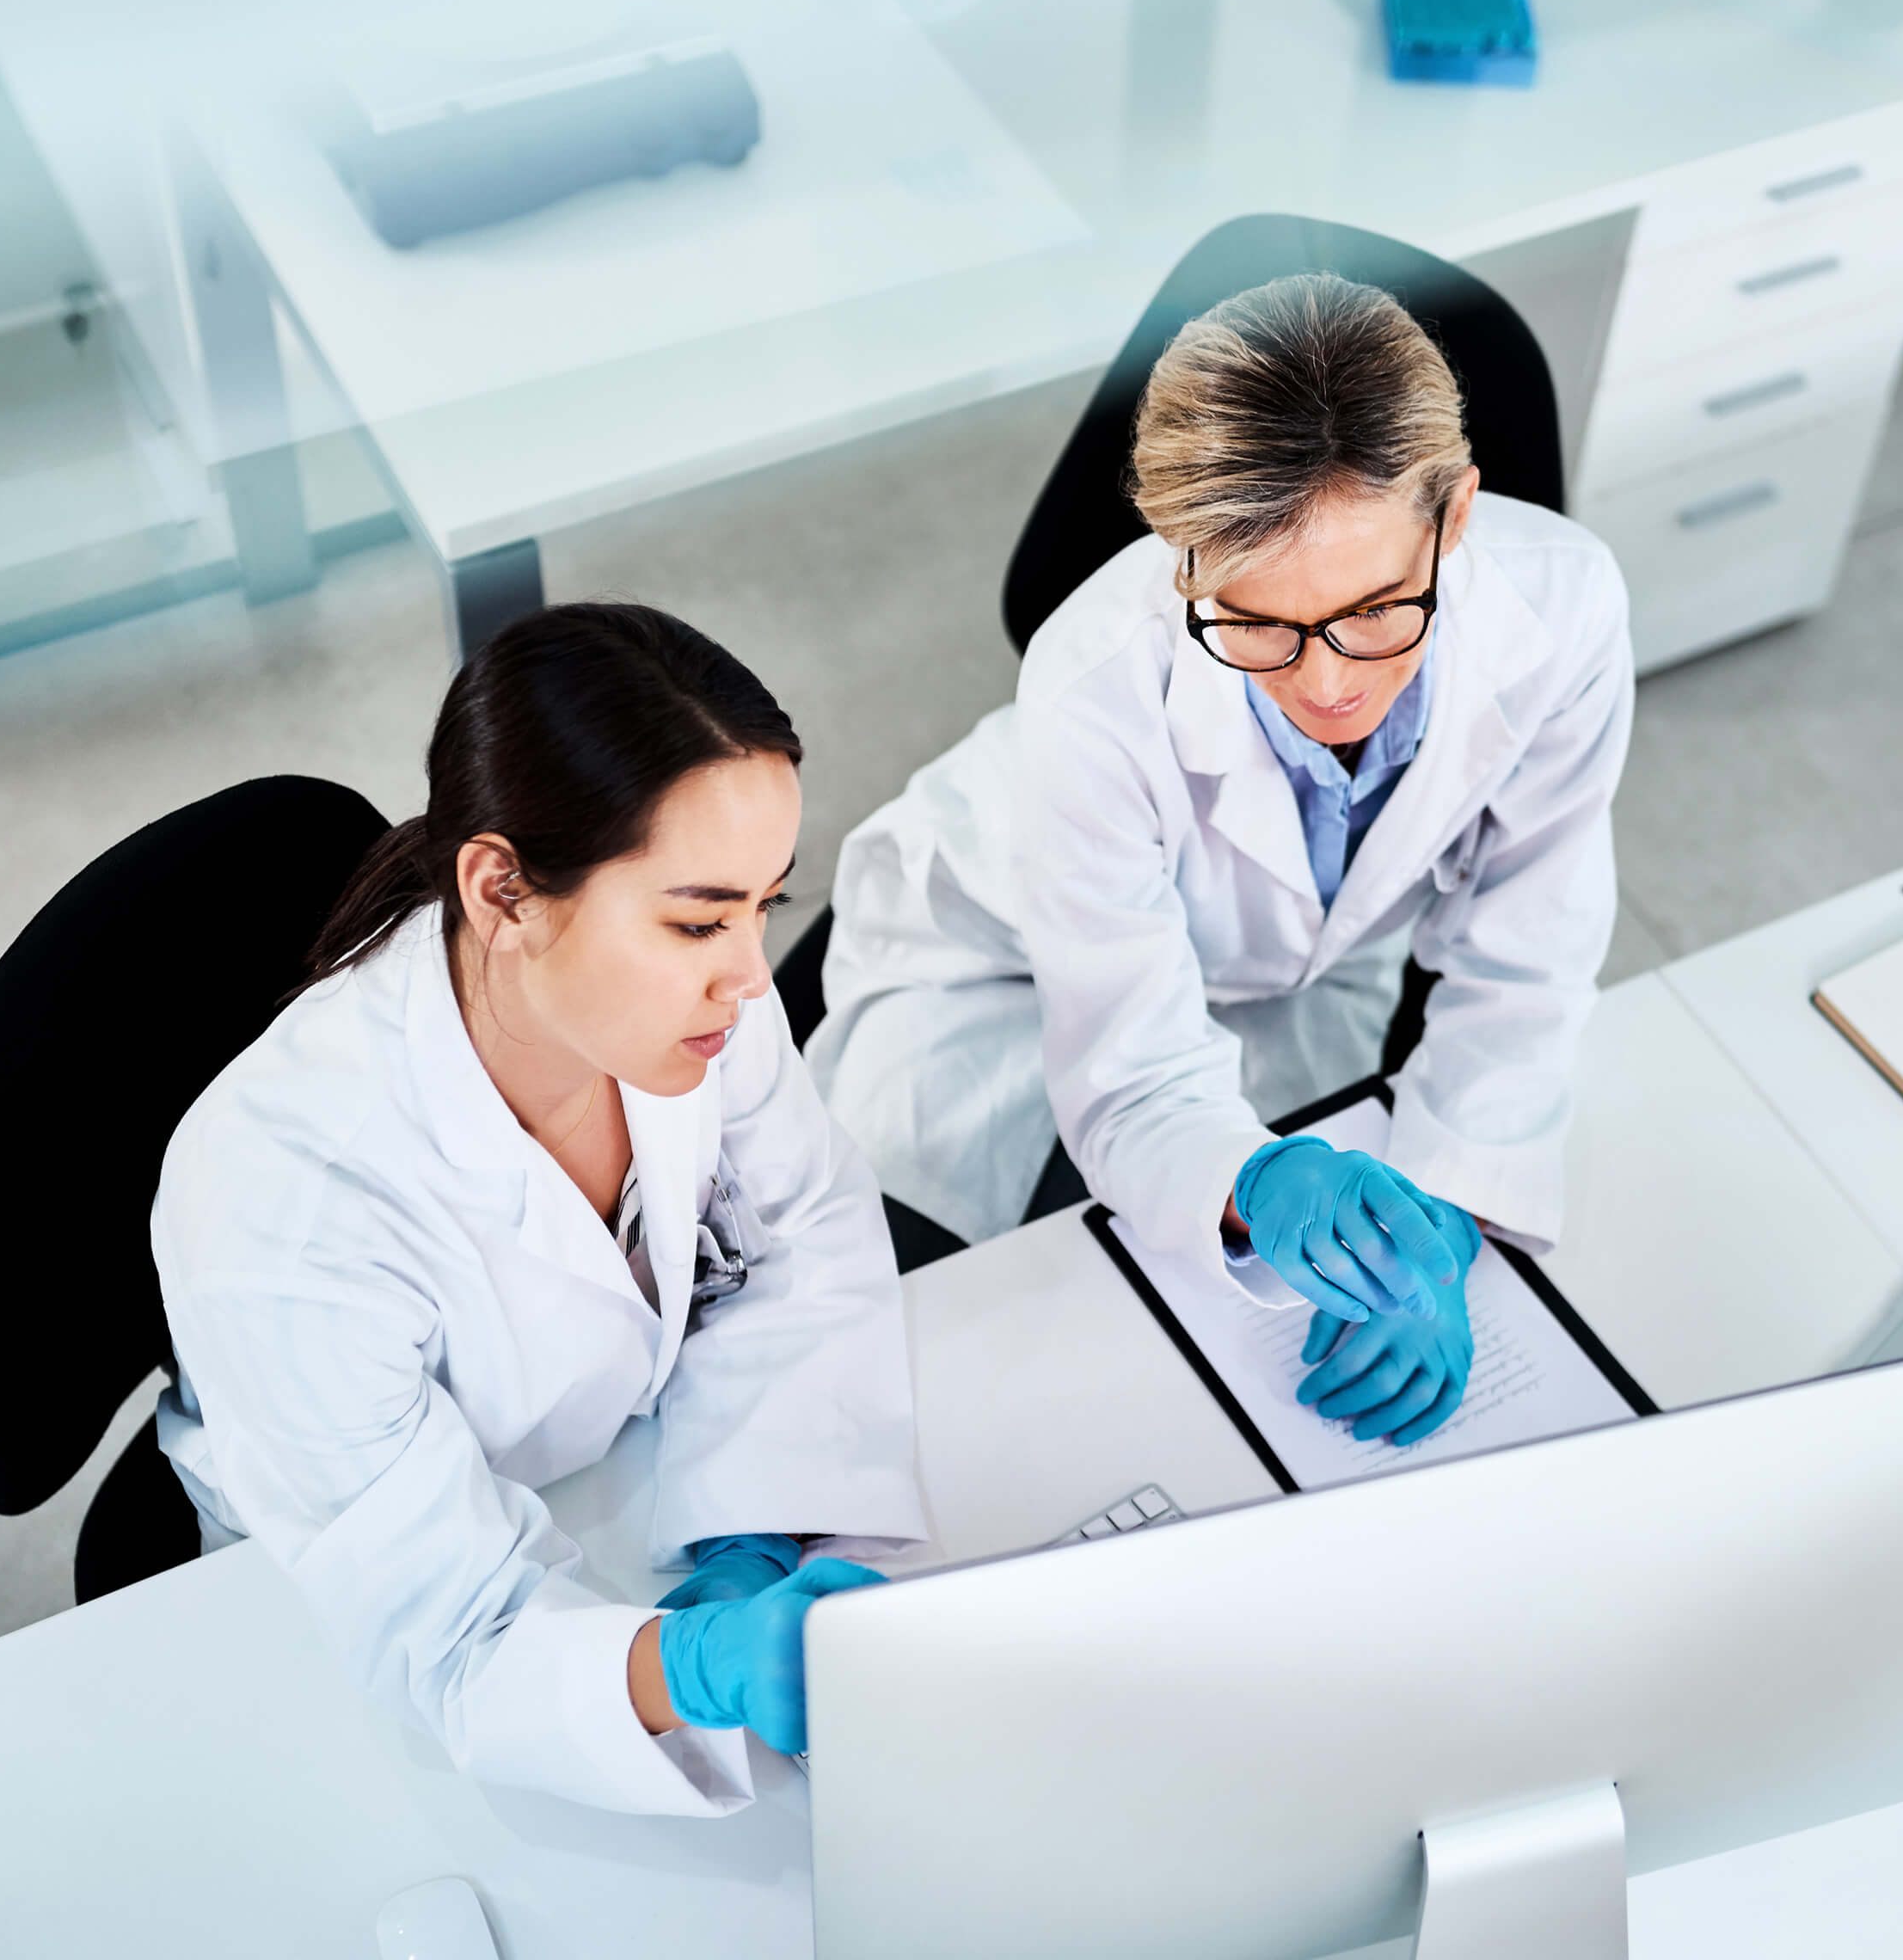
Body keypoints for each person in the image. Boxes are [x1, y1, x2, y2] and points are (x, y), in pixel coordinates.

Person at [809, 272, 1632, 1449]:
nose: (1328, 683)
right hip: (991, 944)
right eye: (1255, 623)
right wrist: (1249, 1185)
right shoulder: (1094, 685)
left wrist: (1452, 1213)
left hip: (1305, 963)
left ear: (1455, 519)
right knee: (926, 1341)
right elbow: (1133, 1069)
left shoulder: (1568, 609)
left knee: (1220, 1366)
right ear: (1181, 558)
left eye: (1379, 607)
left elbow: (1531, 950)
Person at [151, 604, 924, 1817]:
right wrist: (690, 1671)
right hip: (340, 1627)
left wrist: (755, 1533)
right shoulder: (282, 1206)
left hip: (626, 1487)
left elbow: (805, 1231)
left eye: (762, 907)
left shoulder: (692, 1008)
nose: (749, 973)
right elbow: (450, 1640)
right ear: (503, 890)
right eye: (697, 918)